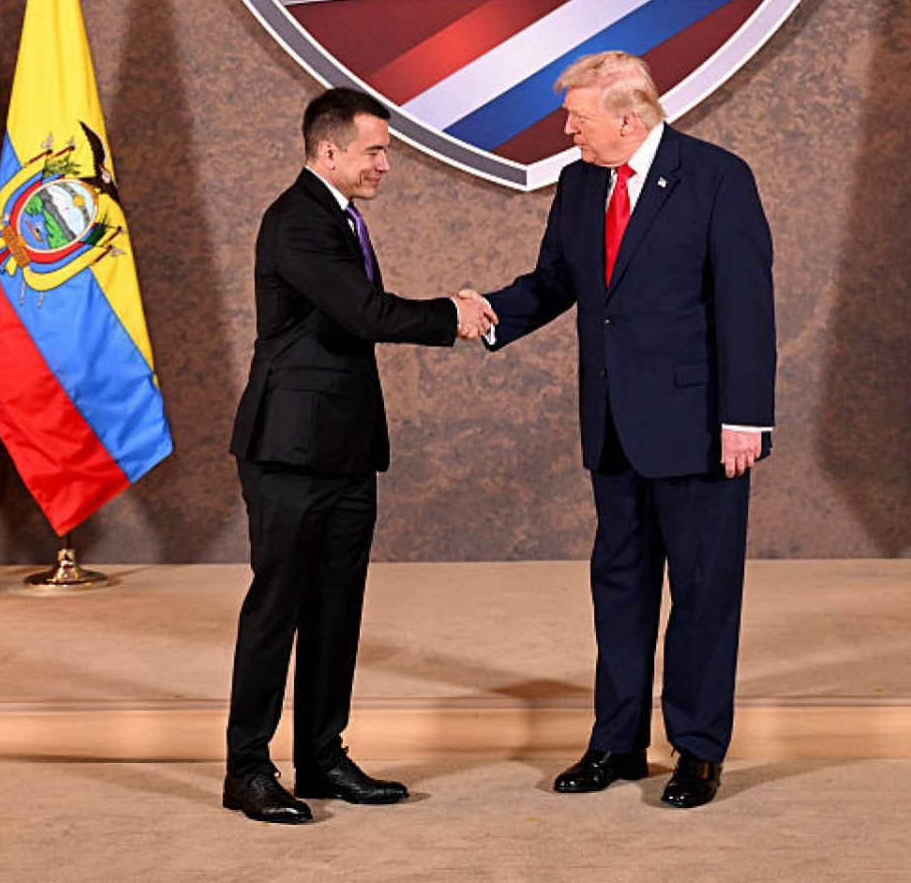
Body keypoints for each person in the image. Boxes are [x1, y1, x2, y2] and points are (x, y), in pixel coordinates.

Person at [478, 51, 774, 809]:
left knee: (704, 592)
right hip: (612, 427)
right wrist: (479, 315)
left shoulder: (716, 177)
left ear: (628, 118)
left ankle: (698, 750)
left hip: (702, 430)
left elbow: (746, 303)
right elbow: (556, 284)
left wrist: (745, 419)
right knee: (619, 586)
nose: (566, 127)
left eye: (576, 115)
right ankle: (616, 742)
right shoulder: (580, 184)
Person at [223, 87, 496, 825]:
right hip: (286, 450)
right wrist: (452, 316)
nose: (386, 163)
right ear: (329, 151)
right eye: (375, 150)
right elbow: (363, 313)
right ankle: (247, 768)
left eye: (386, 151)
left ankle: (321, 755)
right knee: (276, 609)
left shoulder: (339, 219)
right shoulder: (297, 223)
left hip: (344, 451)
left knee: (337, 608)